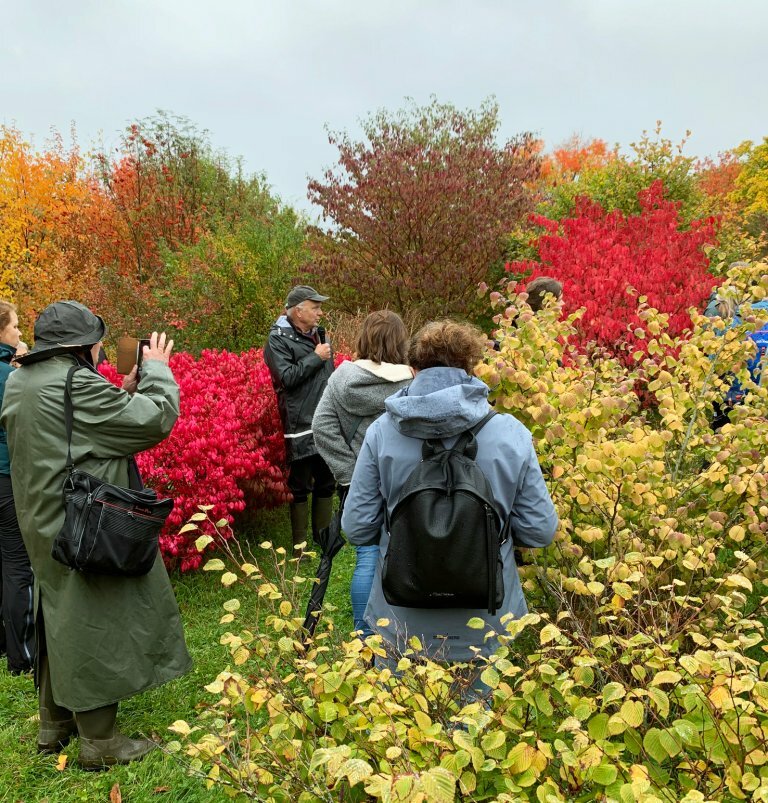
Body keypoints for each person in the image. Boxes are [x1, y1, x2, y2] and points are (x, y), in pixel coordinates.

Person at [1, 301, 192, 769]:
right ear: (81, 345)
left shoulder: (21, 378)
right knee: (88, 618)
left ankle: (54, 723)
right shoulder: (73, 382)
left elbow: (74, 429)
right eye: (97, 342)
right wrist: (159, 372)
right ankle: (100, 741)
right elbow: (153, 421)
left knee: (57, 610)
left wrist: (122, 390)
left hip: (39, 516)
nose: (103, 349)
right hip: (79, 521)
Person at [341, 320, 558, 669]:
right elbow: (539, 530)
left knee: (404, 719)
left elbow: (357, 528)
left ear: (413, 369)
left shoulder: (382, 432)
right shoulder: (510, 433)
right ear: (470, 368)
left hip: (400, 622)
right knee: (478, 721)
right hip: (487, 622)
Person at [312, 310, 413, 635]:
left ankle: (365, 635)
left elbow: (321, 426)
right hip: (407, 482)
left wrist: (351, 473)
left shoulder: (342, 378)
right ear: (401, 340)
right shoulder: (413, 381)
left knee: (367, 556)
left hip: (358, 484)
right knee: (407, 553)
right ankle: (407, 632)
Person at [264, 286, 336, 558]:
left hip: (325, 420)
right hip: (299, 423)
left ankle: (325, 538)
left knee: (327, 481)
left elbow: (329, 374)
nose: (320, 312)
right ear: (298, 310)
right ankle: (300, 547)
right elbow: (287, 378)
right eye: (315, 306)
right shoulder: (277, 340)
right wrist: (316, 357)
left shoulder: (320, 335)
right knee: (300, 486)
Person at [0, 302, 35, 675]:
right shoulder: (9, 375)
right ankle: (21, 655)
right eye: (16, 328)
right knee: (18, 565)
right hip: (7, 476)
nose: (21, 334)